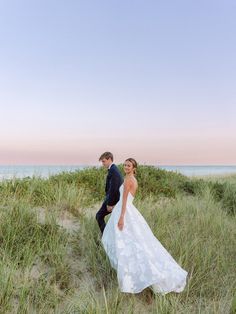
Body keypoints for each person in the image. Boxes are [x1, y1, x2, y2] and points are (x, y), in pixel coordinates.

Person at [101, 158, 188, 294]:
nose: (126, 167)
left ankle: (131, 276)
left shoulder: (129, 180)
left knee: (126, 242)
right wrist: (115, 208)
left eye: (129, 165)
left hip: (125, 212)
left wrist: (122, 217)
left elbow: (124, 200)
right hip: (127, 209)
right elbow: (125, 199)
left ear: (134, 168)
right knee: (133, 242)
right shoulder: (132, 179)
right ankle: (131, 272)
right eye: (125, 165)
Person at [96, 152, 123, 234]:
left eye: (104, 161)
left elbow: (113, 189)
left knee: (99, 216)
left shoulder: (113, 171)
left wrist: (110, 203)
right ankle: (108, 237)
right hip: (112, 199)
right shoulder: (113, 169)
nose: (102, 164)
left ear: (110, 159)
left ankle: (105, 237)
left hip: (112, 200)